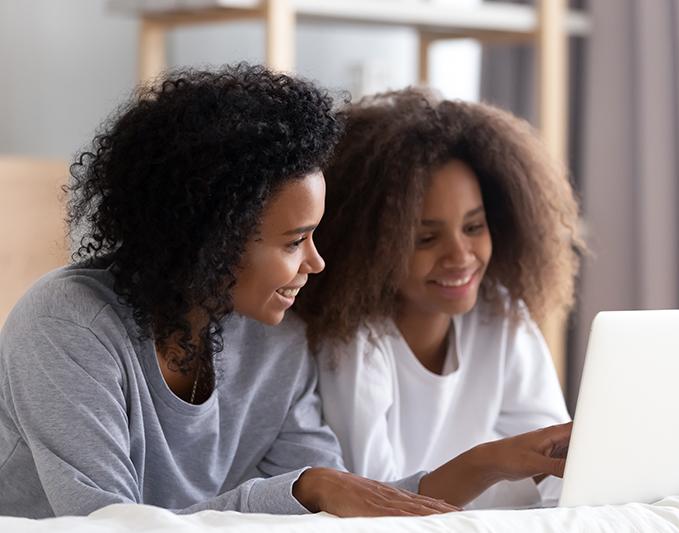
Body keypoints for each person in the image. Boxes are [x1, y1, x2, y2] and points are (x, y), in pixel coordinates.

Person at [0, 64, 467, 518]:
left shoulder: (277, 338)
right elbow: (107, 522)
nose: (316, 262)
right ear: (211, 240)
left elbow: (338, 505)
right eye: (294, 241)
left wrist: (488, 464)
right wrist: (305, 488)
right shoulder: (67, 326)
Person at [296, 88, 583, 508]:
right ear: (371, 245)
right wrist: (492, 465)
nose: (460, 257)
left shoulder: (499, 313)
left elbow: (558, 477)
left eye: (474, 227)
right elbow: (375, 499)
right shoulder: (354, 341)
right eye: (426, 238)